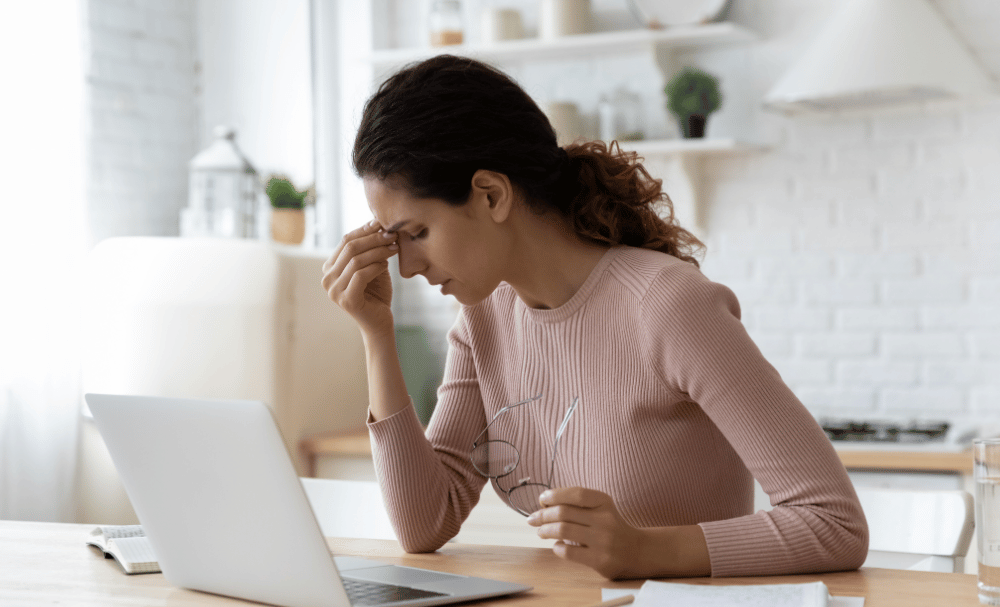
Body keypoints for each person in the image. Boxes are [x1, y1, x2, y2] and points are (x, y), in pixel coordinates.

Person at [321, 55, 868, 580]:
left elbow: (834, 522)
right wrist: (376, 334)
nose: (409, 267)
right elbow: (423, 523)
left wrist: (644, 550)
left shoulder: (669, 307)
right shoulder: (483, 319)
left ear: (491, 194)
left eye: (416, 233)